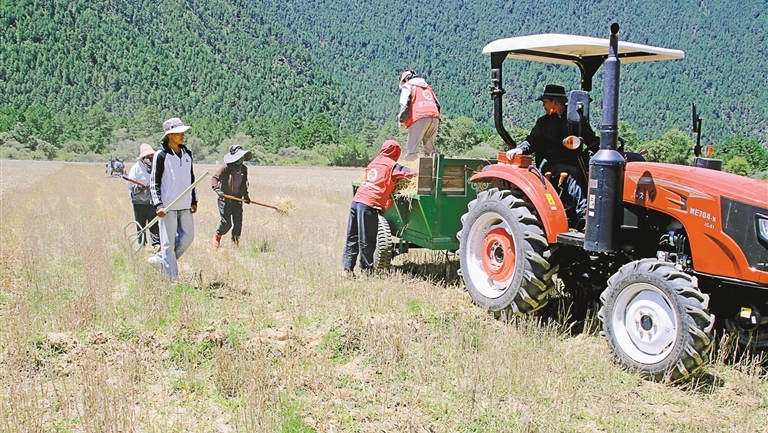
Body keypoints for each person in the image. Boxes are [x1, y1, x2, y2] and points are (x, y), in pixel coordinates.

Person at [506, 84, 598, 227]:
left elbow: (592, 140)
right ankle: (584, 213)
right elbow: (532, 141)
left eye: (545, 102)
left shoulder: (577, 122)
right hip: (551, 165)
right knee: (574, 173)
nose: (543, 105)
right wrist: (520, 149)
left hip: (576, 162)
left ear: (554, 102)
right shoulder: (543, 123)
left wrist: (606, 149)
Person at [342, 140, 415, 277]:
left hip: (356, 202)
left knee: (352, 237)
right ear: (395, 152)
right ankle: (366, 273)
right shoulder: (392, 165)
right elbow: (408, 173)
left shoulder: (374, 162)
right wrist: (424, 170)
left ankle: (347, 270)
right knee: (367, 240)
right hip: (368, 205)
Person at [148, 117, 198, 280]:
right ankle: (171, 279)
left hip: (185, 204)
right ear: (169, 135)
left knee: (188, 237)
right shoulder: (161, 155)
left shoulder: (187, 154)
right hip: (168, 206)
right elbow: (154, 182)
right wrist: (158, 205)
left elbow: (191, 178)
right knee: (168, 243)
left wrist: (193, 200)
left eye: (183, 132)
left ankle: (160, 260)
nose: (182, 135)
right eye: (178, 132)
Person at [211, 145, 252, 248]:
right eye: (239, 157)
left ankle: (235, 243)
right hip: (225, 200)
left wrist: (246, 196)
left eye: (242, 157)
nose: (241, 159)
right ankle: (217, 236)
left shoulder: (244, 169)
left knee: (238, 223)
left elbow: (244, 184)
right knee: (226, 223)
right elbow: (214, 178)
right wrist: (217, 189)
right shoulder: (226, 167)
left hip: (237, 200)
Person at [398, 69, 441, 161]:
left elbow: (404, 105)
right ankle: (436, 165)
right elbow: (438, 105)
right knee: (430, 149)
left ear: (406, 79)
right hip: (435, 117)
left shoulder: (408, 86)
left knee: (412, 150)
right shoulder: (428, 87)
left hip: (420, 117)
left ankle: (410, 165)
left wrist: (401, 121)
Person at [126, 143, 161, 253]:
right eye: (148, 156)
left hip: (152, 200)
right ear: (143, 158)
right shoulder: (136, 168)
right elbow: (130, 185)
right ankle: (142, 243)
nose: (150, 158)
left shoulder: (155, 166)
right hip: (139, 201)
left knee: (154, 222)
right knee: (140, 223)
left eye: (151, 156)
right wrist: (140, 187)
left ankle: (156, 244)